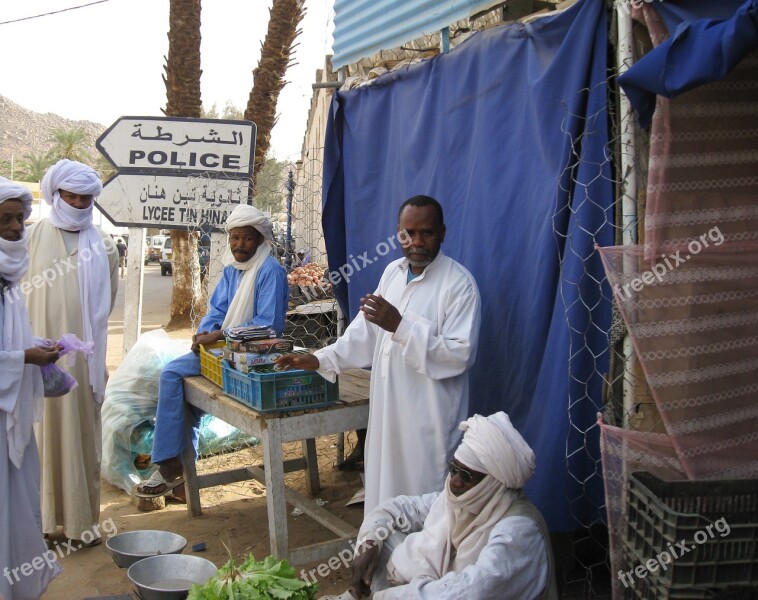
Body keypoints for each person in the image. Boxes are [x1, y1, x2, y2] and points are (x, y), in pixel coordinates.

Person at [277, 195, 481, 511]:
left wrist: (400, 326)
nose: (416, 242)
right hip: (389, 413)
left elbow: (458, 355)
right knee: (385, 495)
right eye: (408, 233)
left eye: (426, 233)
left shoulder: (458, 286)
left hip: (428, 421)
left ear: (442, 233)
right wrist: (320, 358)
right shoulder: (392, 274)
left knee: (424, 505)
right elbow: (364, 333)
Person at [137, 204, 289, 498]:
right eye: (234, 238)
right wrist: (205, 333)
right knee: (183, 395)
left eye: (246, 238)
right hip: (221, 350)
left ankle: (169, 467)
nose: (239, 245)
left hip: (257, 355)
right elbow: (218, 308)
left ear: (259, 240)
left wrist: (222, 334)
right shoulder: (232, 269)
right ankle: (178, 478)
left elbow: (268, 325)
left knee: (171, 375)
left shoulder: (270, 270)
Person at [324, 412, 558, 600]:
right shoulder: (460, 500)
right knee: (383, 537)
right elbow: (397, 509)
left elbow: (471, 590)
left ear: (493, 483)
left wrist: (385, 597)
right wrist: (369, 541)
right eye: (454, 469)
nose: (455, 481)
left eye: (467, 475)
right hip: (446, 586)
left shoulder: (518, 529)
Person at [24, 159, 119, 546]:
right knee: (39, 435)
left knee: (80, 436)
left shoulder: (106, 245)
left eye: (85, 198)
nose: (78, 203)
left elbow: (106, 302)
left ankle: (81, 525)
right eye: (71, 196)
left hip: (82, 360)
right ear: (55, 194)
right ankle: (43, 524)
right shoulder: (28, 238)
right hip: (34, 358)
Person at [0, 178, 63, 598]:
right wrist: (23, 358)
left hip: (12, 409)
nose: (14, 227)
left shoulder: (9, 278)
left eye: (19, 217)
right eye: (4, 219)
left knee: (17, 504)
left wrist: (32, 347)